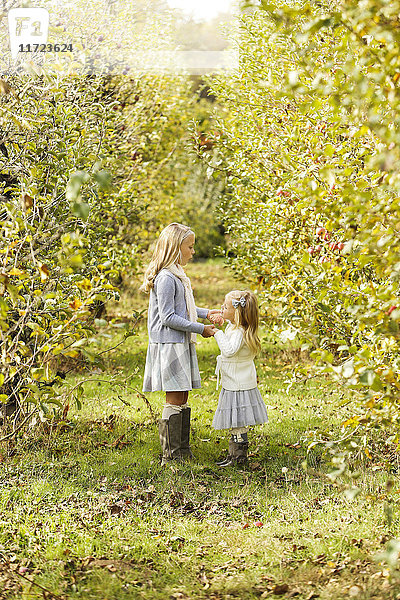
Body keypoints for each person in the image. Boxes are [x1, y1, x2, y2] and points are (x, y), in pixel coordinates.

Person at [140, 223, 220, 465]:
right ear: (176, 248)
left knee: (182, 395)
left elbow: (184, 308)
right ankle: (171, 455)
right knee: (174, 397)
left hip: (179, 342)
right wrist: (201, 329)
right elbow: (169, 317)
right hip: (169, 345)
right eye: (190, 247)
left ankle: (182, 450)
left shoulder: (177, 275)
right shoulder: (166, 278)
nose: (193, 252)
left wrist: (207, 313)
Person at [211, 290, 268, 467]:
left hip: (237, 384)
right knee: (237, 421)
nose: (222, 308)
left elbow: (229, 350)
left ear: (236, 312)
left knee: (238, 422)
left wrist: (216, 333)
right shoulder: (238, 328)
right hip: (237, 381)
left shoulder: (238, 332)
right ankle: (234, 454)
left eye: (225, 306)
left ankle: (238, 456)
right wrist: (222, 320)